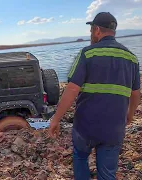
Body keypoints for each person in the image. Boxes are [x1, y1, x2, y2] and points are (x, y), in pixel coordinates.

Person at [48, 12, 141, 180]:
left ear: (97, 30)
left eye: (91, 30)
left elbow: (71, 90)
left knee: (81, 156)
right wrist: (130, 115)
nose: (91, 34)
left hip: (86, 127)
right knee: (107, 173)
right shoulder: (132, 58)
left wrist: (56, 119)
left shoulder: (87, 54)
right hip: (114, 127)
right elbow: (136, 94)